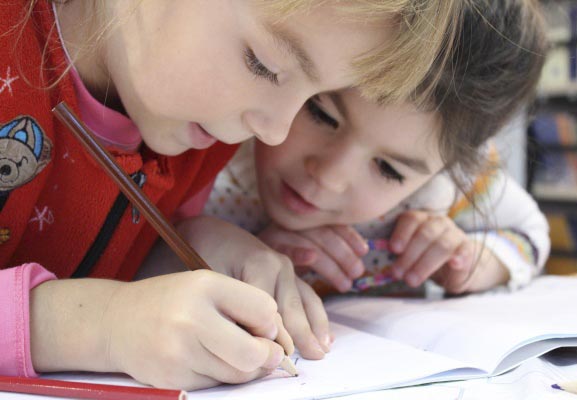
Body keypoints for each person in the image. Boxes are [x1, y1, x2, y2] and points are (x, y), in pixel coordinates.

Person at [0, 0, 463, 391]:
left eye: (313, 97)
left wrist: (186, 248)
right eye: (266, 65)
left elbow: (96, 260)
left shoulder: (198, 134)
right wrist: (100, 326)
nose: (277, 131)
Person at [202, 0, 550, 297]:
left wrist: (476, 260)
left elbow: (530, 232)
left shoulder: (449, 190)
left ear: (448, 169)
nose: (330, 176)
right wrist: (227, 252)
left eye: (389, 170)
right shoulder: (213, 143)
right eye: (321, 114)